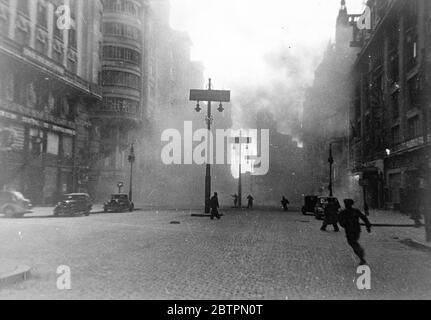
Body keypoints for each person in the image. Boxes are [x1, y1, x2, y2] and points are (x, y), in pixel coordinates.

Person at [338, 199, 372, 266]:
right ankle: (360, 253)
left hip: (350, 230)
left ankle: (361, 254)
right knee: (353, 242)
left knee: (352, 243)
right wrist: (368, 226)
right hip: (356, 229)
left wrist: (344, 224)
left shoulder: (344, 212)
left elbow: (341, 222)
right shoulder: (355, 211)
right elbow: (364, 218)